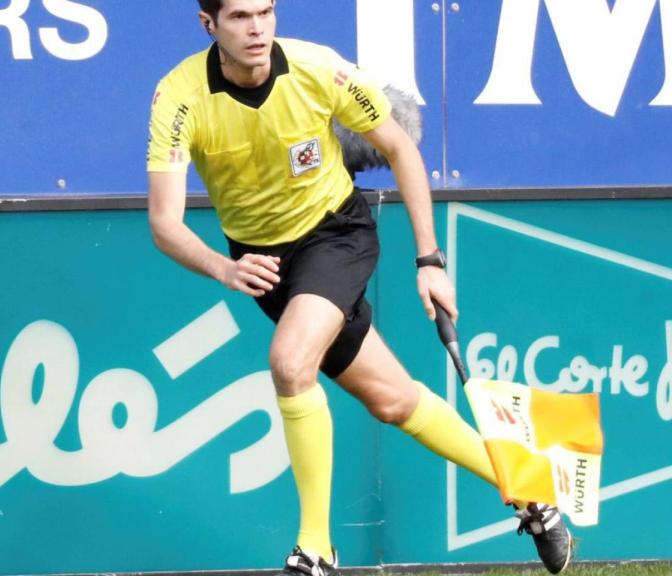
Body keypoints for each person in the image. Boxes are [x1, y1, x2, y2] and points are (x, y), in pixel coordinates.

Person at [145, 1, 574, 574]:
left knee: (291, 362)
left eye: (265, 12)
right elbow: (165, 223)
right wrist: (225, 269)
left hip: (335, 234)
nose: (257, 28)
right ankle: (529, 483)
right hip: (265, 264)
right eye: (240, 17)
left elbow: (399, 147)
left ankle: (317, 549)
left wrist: (429, 260)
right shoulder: (177, 99)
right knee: (392, 399)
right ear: (209, 25)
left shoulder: (320, 69)